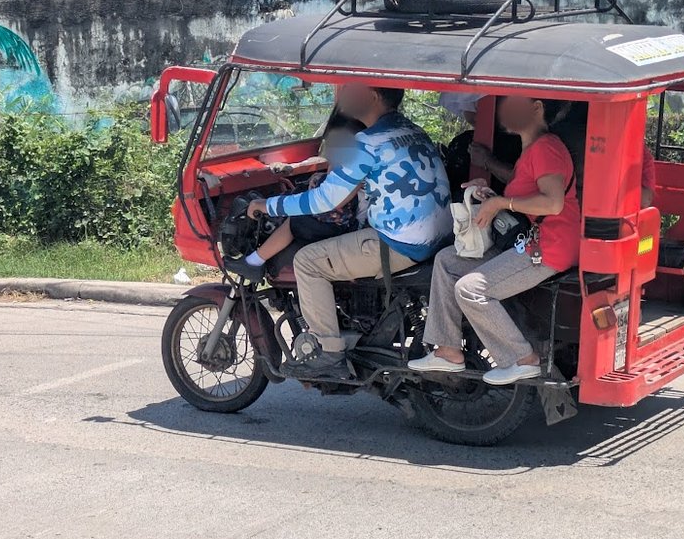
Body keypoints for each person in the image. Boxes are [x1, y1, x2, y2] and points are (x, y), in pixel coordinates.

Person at [247, 84, 453, 381]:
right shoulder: (410, 130)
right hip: (435, 235)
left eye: (348, 88)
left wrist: (267, 205)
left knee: (307, 261)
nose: (341, 93)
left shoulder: (369, 142)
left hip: (400, 242)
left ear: (370, 96)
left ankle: (329, 352)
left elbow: (326, 199)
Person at [409, 95, 581, 386]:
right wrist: (491, 196)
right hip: (533, 241)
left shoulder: (546, 149)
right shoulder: (533, 148)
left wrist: (503, 203)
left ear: (536, 108)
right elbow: (524, 191)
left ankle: (521, 358)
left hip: (550, 248)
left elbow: (552, 204)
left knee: (470, 289)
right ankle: (448, 349)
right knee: (447, 261)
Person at [226, 113, 365, 283]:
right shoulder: (348, 162)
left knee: (296, 222)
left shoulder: (355, 167)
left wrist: (270, 205)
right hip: (345, 220)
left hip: (347, 225)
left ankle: (253, 262)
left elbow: (331, 201)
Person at [439, 92, 522, 193]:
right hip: (463, 206)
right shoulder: (462, 141)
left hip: (507, 205)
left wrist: (488, 162)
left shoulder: (523, 141)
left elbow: (527, 181)